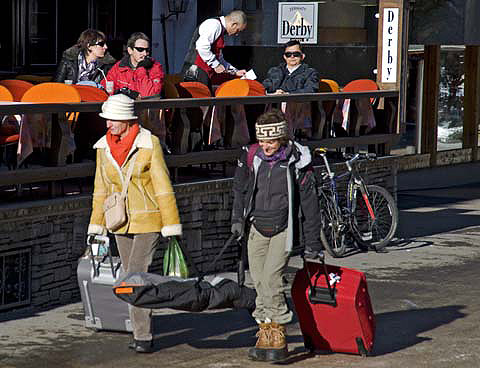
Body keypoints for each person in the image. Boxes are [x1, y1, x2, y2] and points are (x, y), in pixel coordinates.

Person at [87, 93, 182, 353]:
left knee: (135, 276)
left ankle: (143, 335)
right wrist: (96, 226)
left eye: (113, 120)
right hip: (118, 221)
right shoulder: (103, 147)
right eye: (107, 120)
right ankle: (139, 329)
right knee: (130, 278)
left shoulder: (148, 144)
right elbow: (100, 189)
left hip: (149, 219)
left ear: (127, 120)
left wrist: (171, 224)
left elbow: (163, 185)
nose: (108, 124)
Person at [231, 109, 323, 362]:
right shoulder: (251, 157)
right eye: (262, 141)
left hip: (284, 228)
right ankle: (265, 332)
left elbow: (310, 203)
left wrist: (313, 243)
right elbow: (239, 189)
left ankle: (279, 333)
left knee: (272, 277)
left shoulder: (297, 161)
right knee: (259, 280)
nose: (266, 146)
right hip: (256, 226)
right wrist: (237, 220)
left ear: (282, 138)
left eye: (271, 141)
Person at [262, 40, 320, 139]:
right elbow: (264, 87)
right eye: (289, 54)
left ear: (302, 56)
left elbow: (311, 90)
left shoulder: (310, 73)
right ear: (284, 56)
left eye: (296, 54)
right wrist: (274, 93)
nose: (292, 57)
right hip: (273, 113)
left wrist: (288, 94)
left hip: (297, 116)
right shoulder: (275, 71)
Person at [183, 10, 248, 88]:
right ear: (233, 24)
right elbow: (202, 46)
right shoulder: (214, 25)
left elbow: (219, 58)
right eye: (238, 30)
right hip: (194, 73)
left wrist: (235, 71)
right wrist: (215, 65)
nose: (237, 34)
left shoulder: (220, 31)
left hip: (204, 75)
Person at [104, 32, 164, 98]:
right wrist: (125, 93)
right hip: (123, 105)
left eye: (147, 50)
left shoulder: (155, 67)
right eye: (140, 49)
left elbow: (148, 96)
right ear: (130, 50)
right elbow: (106, 90)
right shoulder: (119, 67)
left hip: (146, 107)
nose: (145, 53)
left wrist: (141, 68)